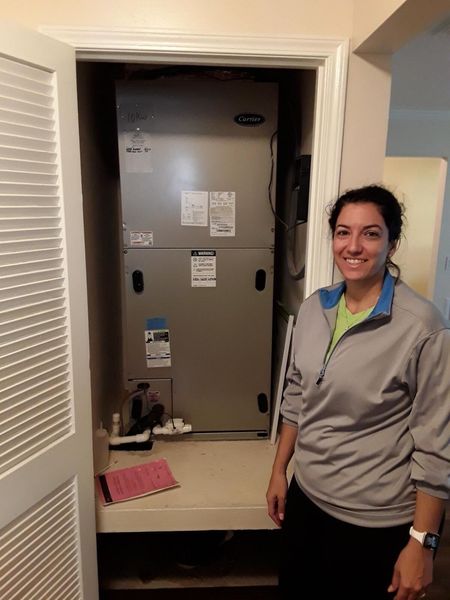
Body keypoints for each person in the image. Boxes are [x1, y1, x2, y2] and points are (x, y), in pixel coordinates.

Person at [266, 185, 450, 600]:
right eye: (343, 232)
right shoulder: (315, 308)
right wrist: (280, 471)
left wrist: (423, 543)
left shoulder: (423, 328)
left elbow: (436, 446)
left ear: (392, 244)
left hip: (375, 522)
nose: (353, 246)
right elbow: (297, 395)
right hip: (308, 500)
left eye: (370, 234)